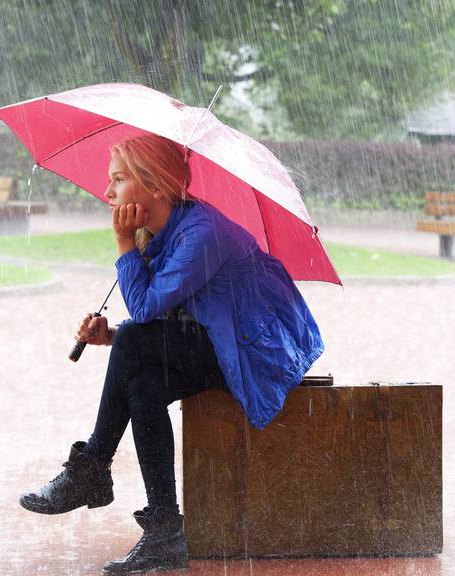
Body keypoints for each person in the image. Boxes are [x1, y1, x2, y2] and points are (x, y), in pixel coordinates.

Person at [19, 134, 324, 574]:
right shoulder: (166, 233)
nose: (107, 193)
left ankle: (92, 468)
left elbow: (145, 310)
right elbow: (164, 321)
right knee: (143, 384)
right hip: (217, 342)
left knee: (135, 346)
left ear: (157, 186)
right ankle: (164, 531)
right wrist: (111, 335)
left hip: (252, 353)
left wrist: (125, 245)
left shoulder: (203, 233)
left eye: (119, 180)